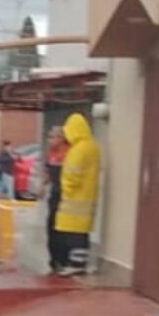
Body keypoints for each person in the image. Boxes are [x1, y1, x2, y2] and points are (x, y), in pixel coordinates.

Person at [56, 113, 101, 276]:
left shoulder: (79, 149)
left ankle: (75, 264)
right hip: (87, 198)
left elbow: (71, 174)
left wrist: (65, 188)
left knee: (73, 234)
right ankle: (79, 262)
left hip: (75, 199)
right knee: (82, 233)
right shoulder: (92, 147)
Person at [44, 126, 71, 274]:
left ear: (61, 138)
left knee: (62, 229)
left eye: (52, 137)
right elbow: (48, 171)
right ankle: (54, 260)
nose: (50, 140)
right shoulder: (51, 153)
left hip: (65, 196)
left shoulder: (68, 152)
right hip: (54, 194)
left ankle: (63, 259)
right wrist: (42, 186)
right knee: (51, 227)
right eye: (49, 137)